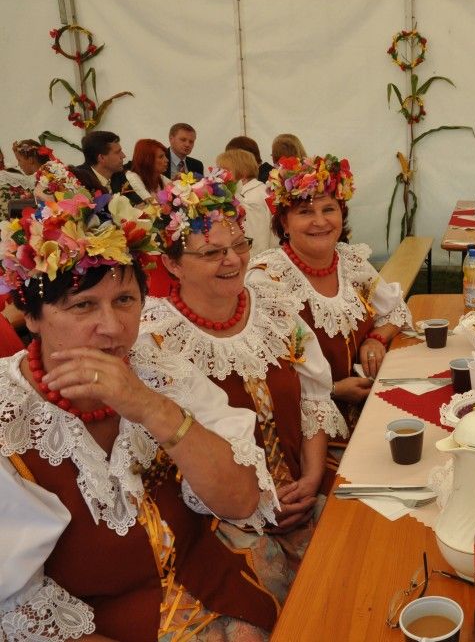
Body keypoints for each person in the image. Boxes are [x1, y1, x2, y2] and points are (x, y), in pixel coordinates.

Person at [0, 183, 282, 640]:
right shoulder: (7, 419)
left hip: (218, 584)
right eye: (83, 305)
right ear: (32, 317)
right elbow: (16, 608)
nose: (111, 328)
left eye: (125, 300)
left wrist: (150, 407)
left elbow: (242, 500)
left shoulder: (163, 372)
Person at [142, 169, 344, 600]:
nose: (232, 260)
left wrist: (310, 476)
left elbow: (313, 398)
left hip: (305, 481)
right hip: (221, 518)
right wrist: (258, 503)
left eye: (239, 245)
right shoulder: (155, 340)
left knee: (362, 548)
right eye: (212, 252)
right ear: (172, 263)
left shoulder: (272, 307)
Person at [247, 155, 410, 436]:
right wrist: (332, 391)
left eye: (328, 209)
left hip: (370, 407)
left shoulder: (350, 261)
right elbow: (266, 376)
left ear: (341, 214)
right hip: (309, 431)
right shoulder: (267, 279)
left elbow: (395, 310)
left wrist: (376, 337)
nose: (320, 221)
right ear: (284, 223)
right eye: (305, 212)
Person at [218, 148, 278, 257]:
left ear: (242, 171)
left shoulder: (250, 199)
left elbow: (257, 242)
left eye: (224, 170)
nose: (219, 175)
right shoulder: (261, 190)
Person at [70, 130, 128, 195]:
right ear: (101, 158)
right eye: (117, 152)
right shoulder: (79, 181)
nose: (123, 156)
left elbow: (135, 201)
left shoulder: (118, 174)